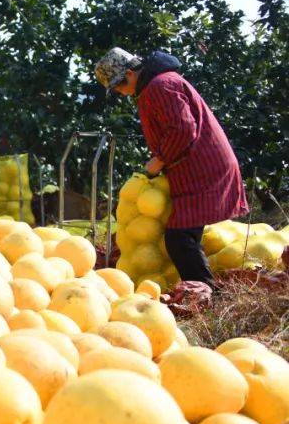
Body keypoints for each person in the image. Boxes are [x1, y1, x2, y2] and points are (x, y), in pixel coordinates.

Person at [95, 47, 248, 287]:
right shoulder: (158, 84)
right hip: (198, 167)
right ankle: (206, 291)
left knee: (180, 238)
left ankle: (205, 294)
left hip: (203, 169)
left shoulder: (159, 86)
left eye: (118, 86)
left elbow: (183, 129)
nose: (120, 92)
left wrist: (160, 160)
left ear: (130, 74)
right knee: (185, 237)